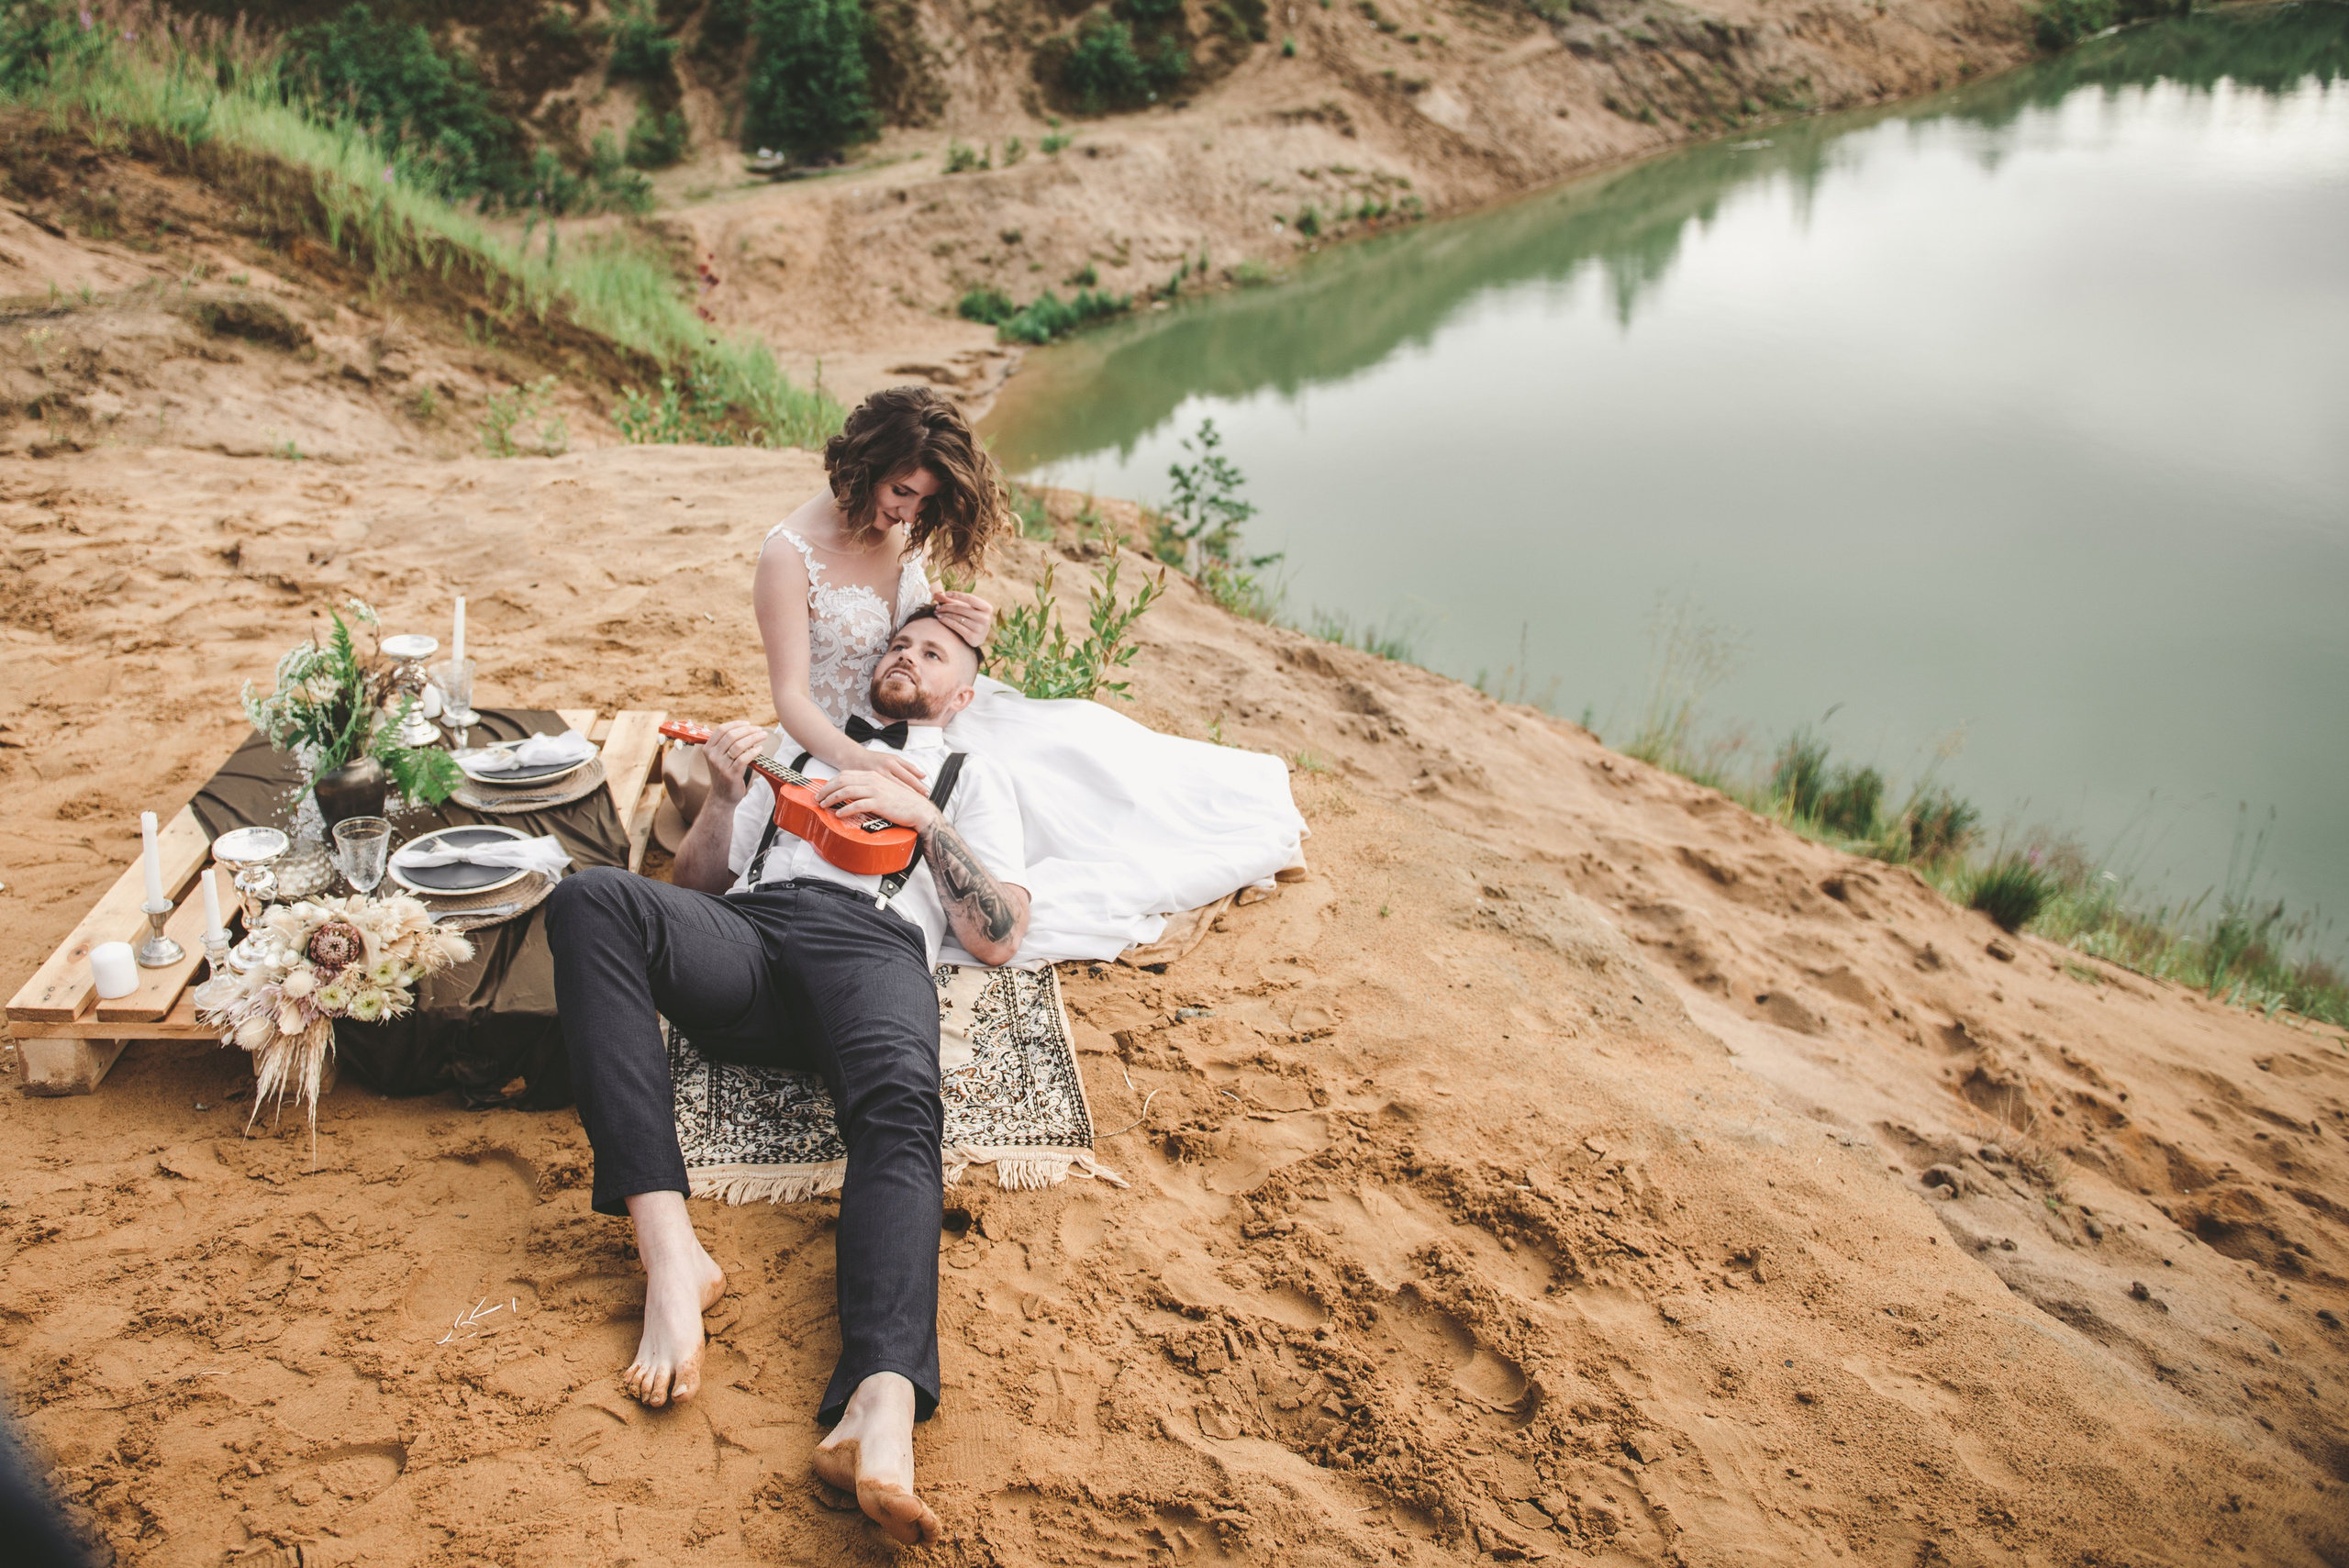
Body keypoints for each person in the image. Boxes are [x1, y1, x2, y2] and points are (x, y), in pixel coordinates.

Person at [547, 608, 1028, 1548]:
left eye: (931, 652)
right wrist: (727, 797)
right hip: (753, 940)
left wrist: (926, 819)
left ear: (962, 693)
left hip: (871, 950)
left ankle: (879, 1401)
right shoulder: (798, 750)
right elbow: (693, 892)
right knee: (592, 896)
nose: (905, 656)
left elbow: (1000, 936)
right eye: (897, 643)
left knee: (900, 1103)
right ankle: (672, 1252)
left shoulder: (972, 774)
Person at [758, 385, 1307, 967]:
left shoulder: (897, 522)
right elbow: (789, 697)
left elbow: (910, 633)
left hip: (927, 705)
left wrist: (966, 630)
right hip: (843, 734)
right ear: (863, 462)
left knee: (1080, 738)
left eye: (923, 501)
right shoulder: (788, 556)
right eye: (902, 492)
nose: (910, 514)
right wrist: (857, 759)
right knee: (1036, 800)